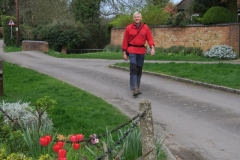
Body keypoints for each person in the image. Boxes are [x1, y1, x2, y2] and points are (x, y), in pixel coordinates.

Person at [122, 11, 155, 98]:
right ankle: (134, 88)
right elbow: (125, 40)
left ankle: (137, 86)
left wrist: (152, 48)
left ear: (141, 18)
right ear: (133, 18)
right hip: (132, 49)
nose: (137, 18)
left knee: (139, 69)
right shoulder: (128, 28)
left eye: (138, 17)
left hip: (141, 50)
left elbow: (150, 38)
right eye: (135, 17)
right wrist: (124, 52)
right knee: (133, 68)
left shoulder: (145, 28)